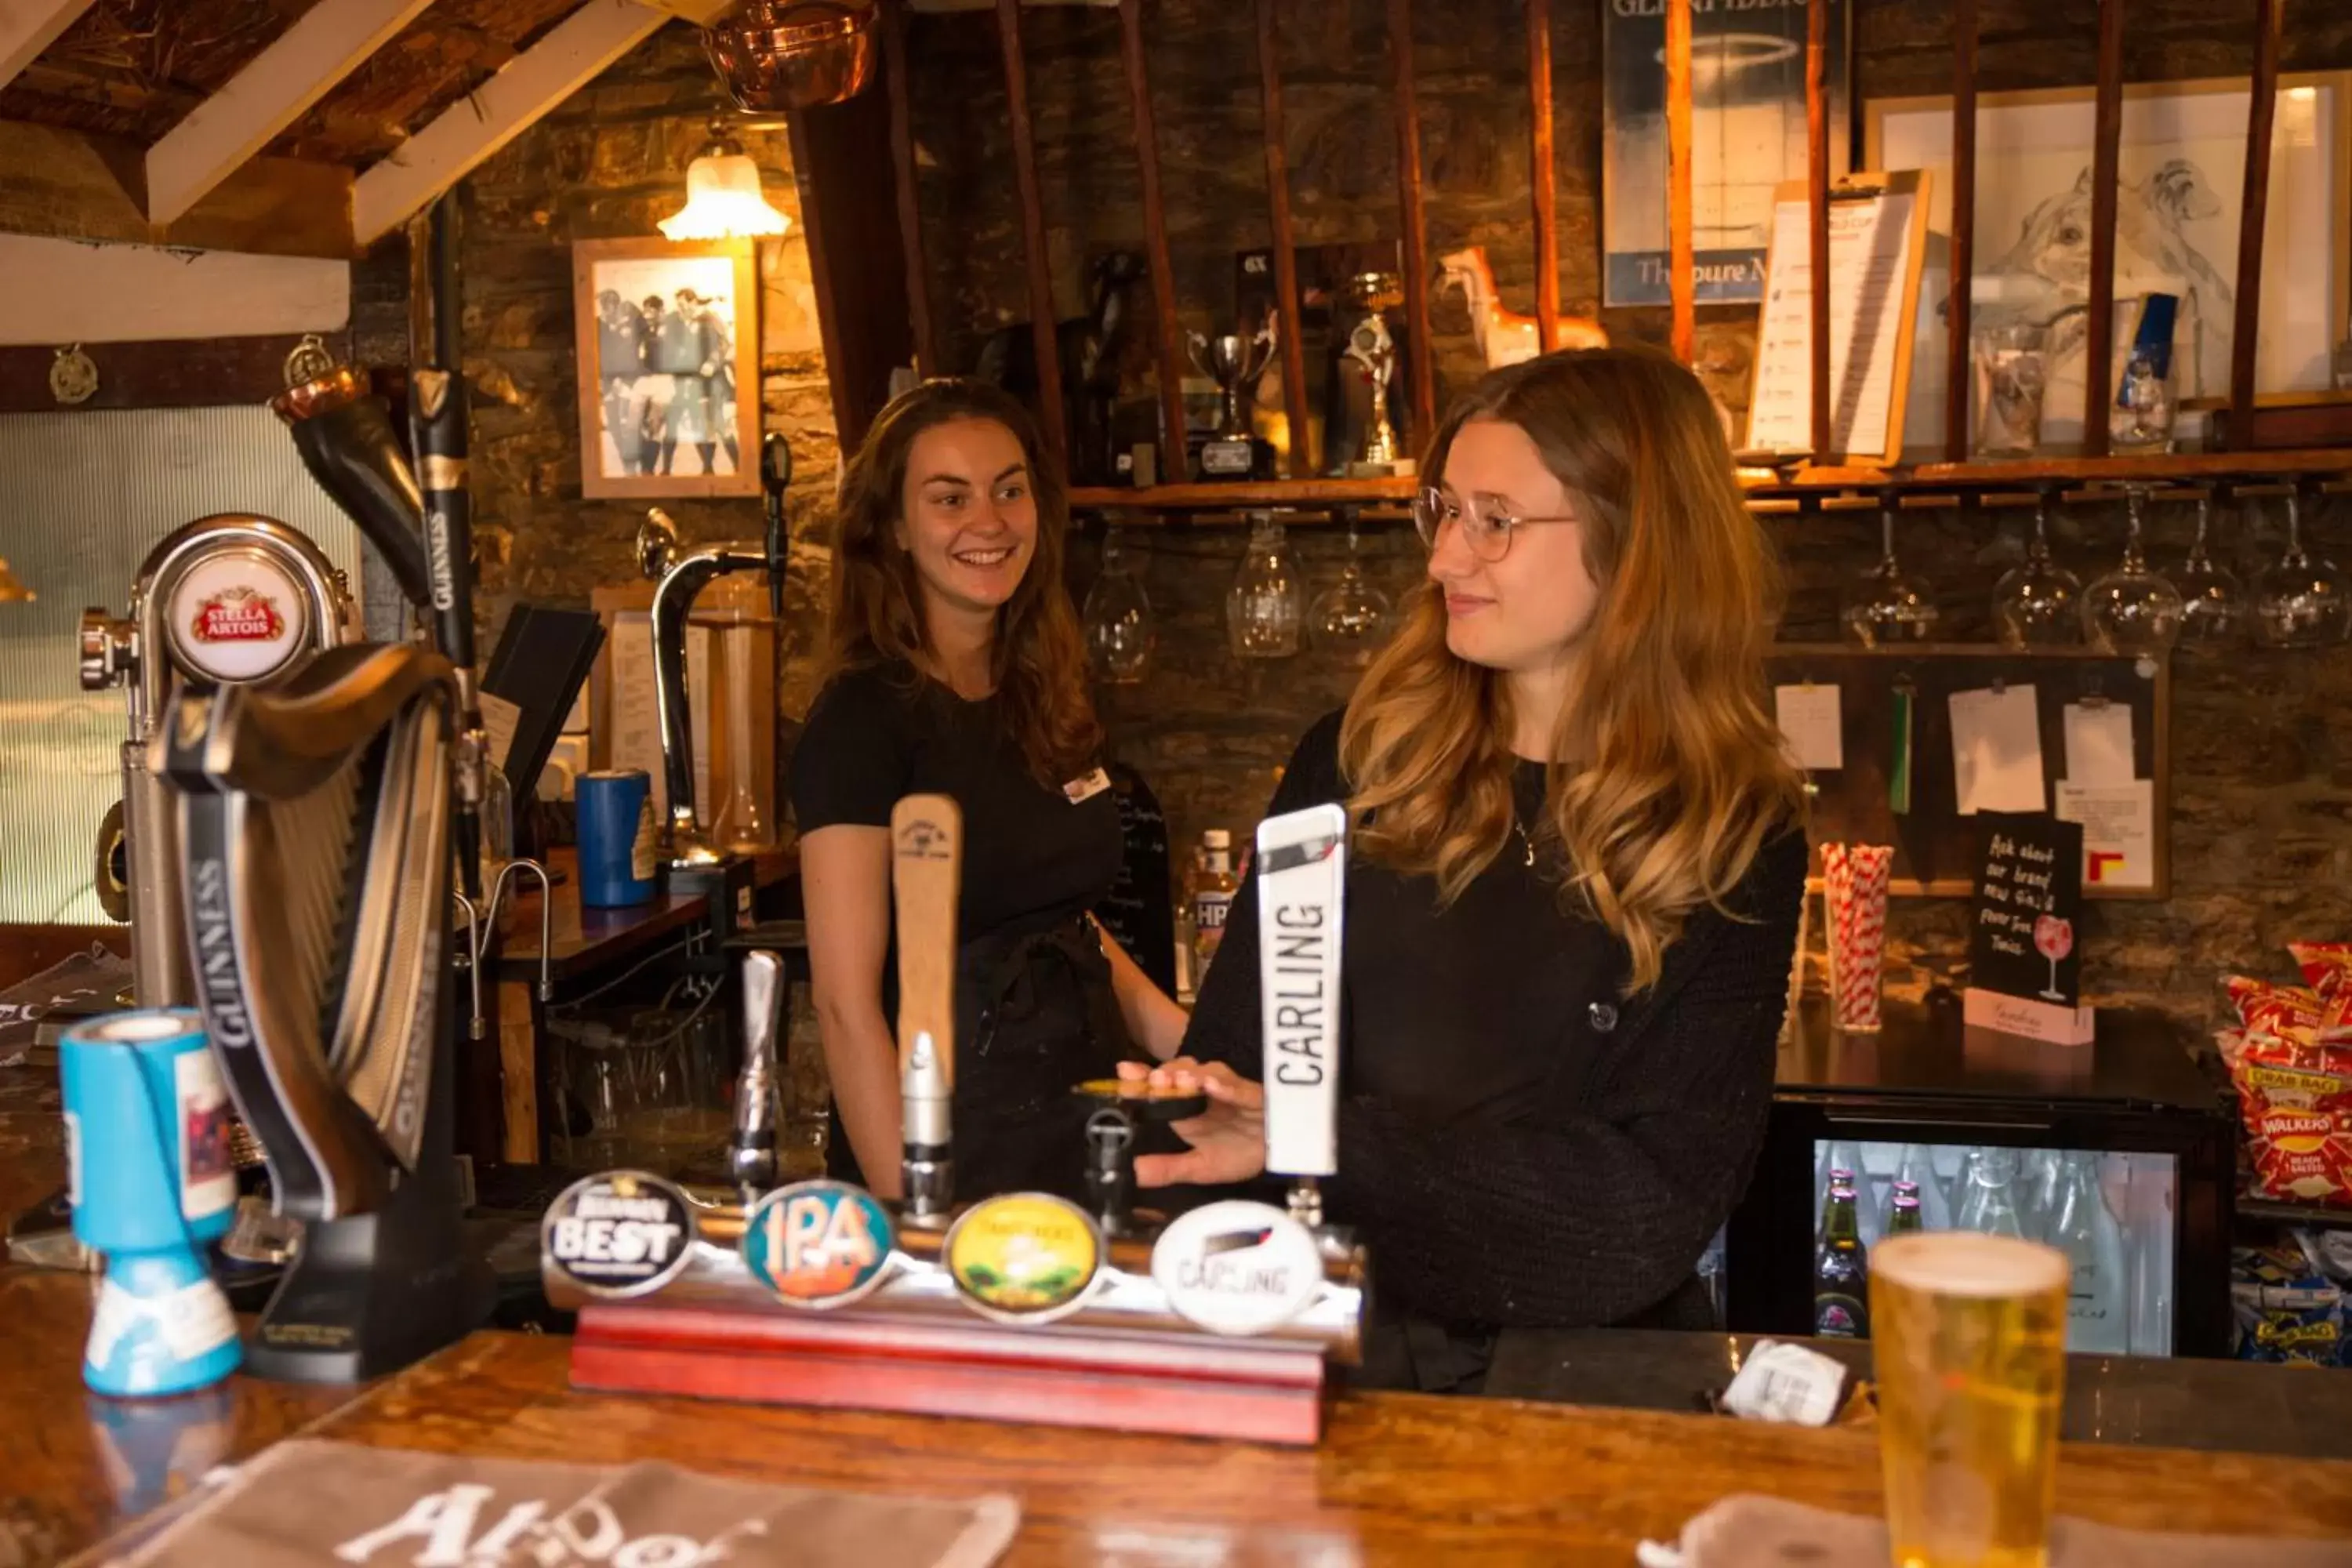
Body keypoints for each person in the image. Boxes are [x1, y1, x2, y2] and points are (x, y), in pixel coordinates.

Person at [1124, 347, 1809, 1392]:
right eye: (1444, 511)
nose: (1447, 558)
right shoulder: (1352, 765)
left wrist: (1328, 1146)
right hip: (1334, 1371)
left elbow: (1639, 1219)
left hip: (1582, 1400)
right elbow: (1235, 1089)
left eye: (1496, 519)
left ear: (1636, 543)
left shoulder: (1732, 832)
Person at [793, 379, 1189, 1203]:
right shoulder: (862, 719)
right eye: (950, 498)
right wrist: (912, 1210)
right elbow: (844, 1002)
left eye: (1009, 490)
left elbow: (1058, 918)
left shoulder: (1042, 686)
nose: (989, 521)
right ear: (894, 528)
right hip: (948, 1128)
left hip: (1085, 1103)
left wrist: (1185, 1038)